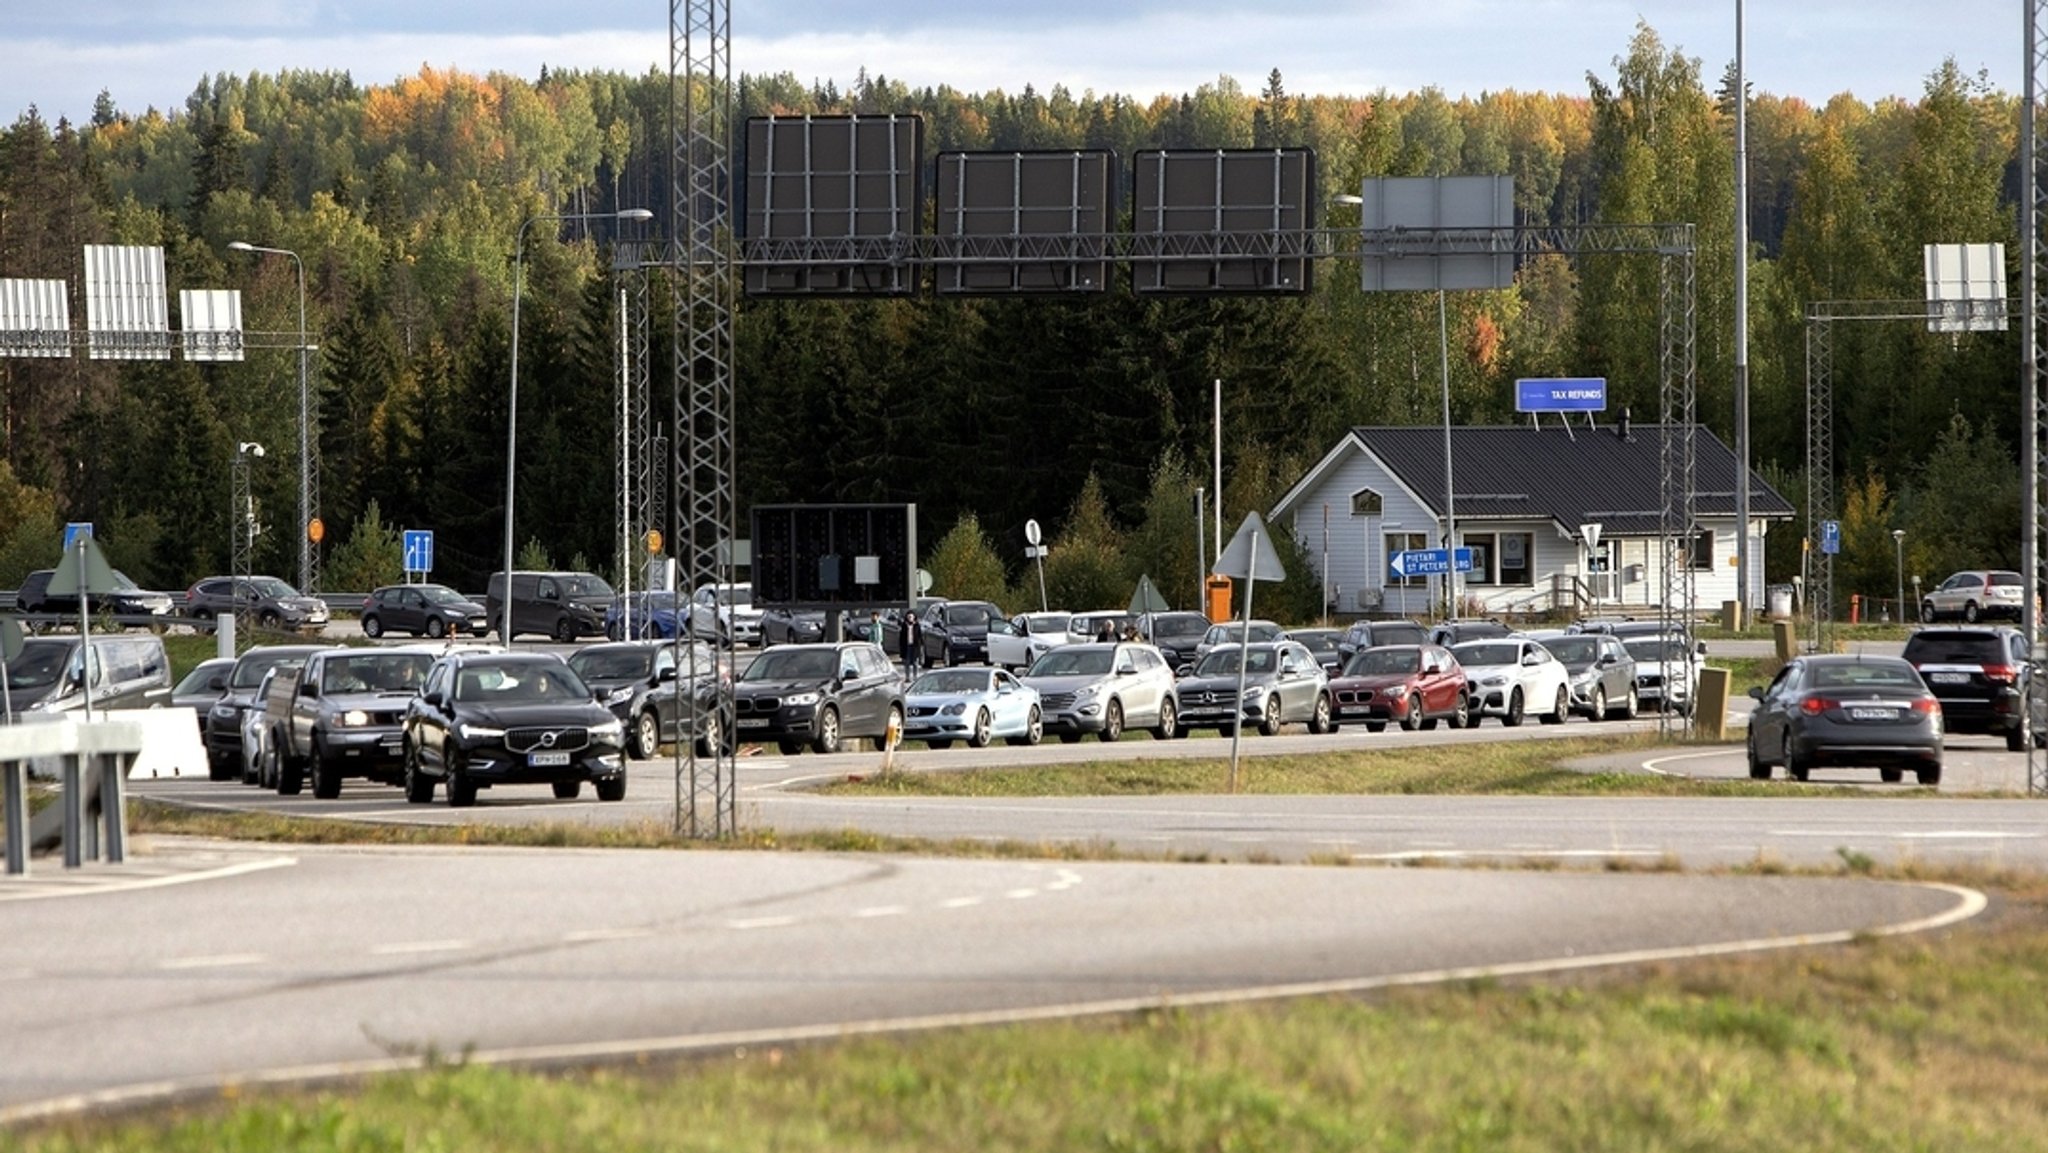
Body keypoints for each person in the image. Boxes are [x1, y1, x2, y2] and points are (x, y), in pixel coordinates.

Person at [900, 610, 923, 675]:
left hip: (915, 646)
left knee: (915, 662)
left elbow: (919, 636)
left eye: (911, 617)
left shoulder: (917, 625)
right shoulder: (904, 625)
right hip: (907, 646)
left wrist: (920, 645)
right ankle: (907, 677)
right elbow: (901, 637)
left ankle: (915, 676)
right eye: (908, 617)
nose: (910, 618)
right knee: (907, 662)